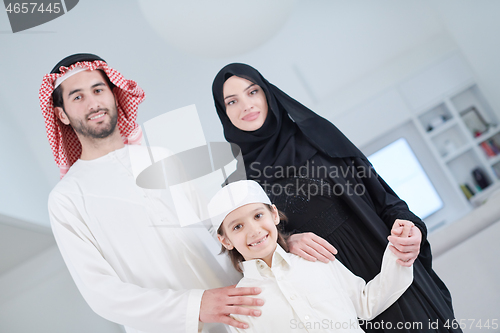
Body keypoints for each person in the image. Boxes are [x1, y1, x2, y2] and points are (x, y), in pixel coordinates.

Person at [212, 63, 462, 332]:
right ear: (223, 113)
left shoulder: (317, 134)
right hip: (332, 295)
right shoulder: (241, 185)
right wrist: (288, 240)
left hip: (385, 264)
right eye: (232, 101)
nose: (246, 105)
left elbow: (385, 198)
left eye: (253, 92)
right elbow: (258, 249)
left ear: (267, 94)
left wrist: (410, 229)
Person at [40, 54, 265, 333]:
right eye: (77, 97)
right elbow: (101, 292)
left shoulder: (160, 156)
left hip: (244, 314)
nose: (93, 103)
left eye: (98, 90)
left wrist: (280, 244)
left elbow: (218, 230)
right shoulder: (67, 198)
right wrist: (195, 306)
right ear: (61, 114)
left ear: (114, 95)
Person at [208, 179, 413, 333]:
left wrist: (400, 250)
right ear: (225, 240)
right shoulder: (240, 304)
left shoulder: (314, 260)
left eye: (258, 216)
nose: (253, 231)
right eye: (237, 226)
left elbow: (366, 302)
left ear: (274, 214)